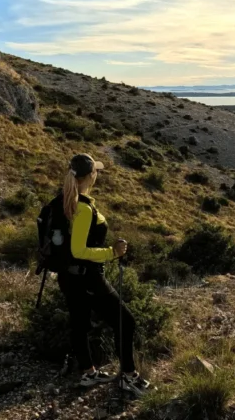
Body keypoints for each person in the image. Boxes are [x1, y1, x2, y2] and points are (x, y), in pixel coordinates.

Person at [56, 153, 150, 396]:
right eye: (95, 171)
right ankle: (128, 377)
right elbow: (78, 250)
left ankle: (88, 373)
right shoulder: (84, 209)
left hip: (69, 277)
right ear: (90, 176)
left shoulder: (66, 200)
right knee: (126, 322)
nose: (97, 174)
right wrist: (112, 252)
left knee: (79, 324)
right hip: (88, 277)